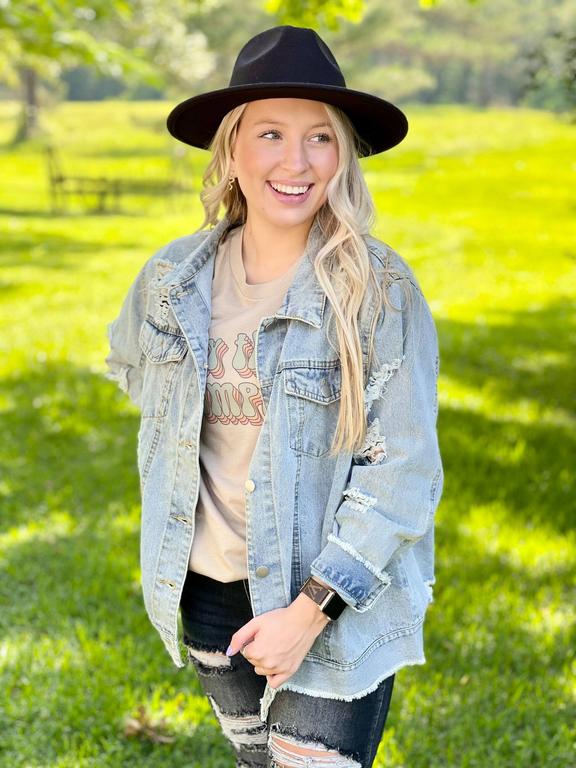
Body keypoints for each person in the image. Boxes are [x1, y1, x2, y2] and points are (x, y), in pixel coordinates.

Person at [105, 24, 443, 768]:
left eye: (320, 137)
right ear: (231, 152)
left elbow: (404, 475)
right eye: (270, 134)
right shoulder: (170, 282)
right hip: (211, 596)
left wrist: (308, 610)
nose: (297, 161)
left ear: (343, 155)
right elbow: (134, 373)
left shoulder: (378, 293)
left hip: (326, 602)